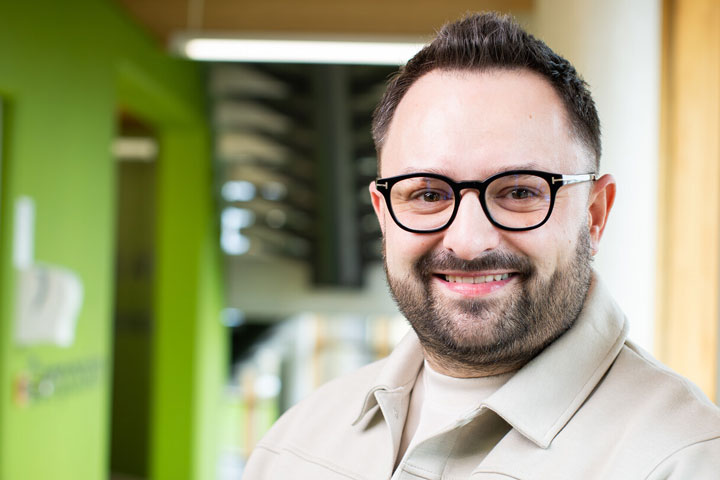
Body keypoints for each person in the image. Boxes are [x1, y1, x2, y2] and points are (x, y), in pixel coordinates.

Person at [244, 12, 720, 479]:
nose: (469, 242)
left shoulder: (685, 460)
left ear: (594, 215)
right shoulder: (295, 444)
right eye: (428, 194)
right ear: (384, 214)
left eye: (519, 192)